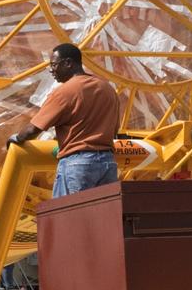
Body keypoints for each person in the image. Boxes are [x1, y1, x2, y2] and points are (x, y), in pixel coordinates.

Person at [7, 43, 121, 196]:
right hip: (108, 164)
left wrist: (16, 138)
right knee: (100, 217)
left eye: (54, 65)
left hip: (78, 164)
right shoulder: (108, 90)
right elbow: (113, 130)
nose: (51, 70)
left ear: (68, 63)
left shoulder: (64, 92)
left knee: (68, 216)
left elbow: (33, 129)